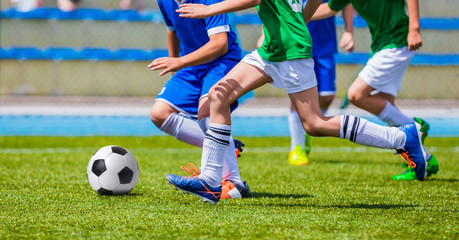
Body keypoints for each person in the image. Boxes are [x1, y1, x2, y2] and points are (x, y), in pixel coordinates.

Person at [166, 0, 433, 205]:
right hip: (273, 48)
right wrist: (297, 20)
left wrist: (209, 9)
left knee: (315, 124)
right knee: (218, 95)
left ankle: (401, 138)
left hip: (292, 52)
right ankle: (212, 181)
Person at [310, 0, 439, 180]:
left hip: (397, 41)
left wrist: (414, 28)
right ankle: (424, 159)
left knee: (355, 94)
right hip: (382, 45)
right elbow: (330, 8)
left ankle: (414, 127)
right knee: (387, 106)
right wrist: (298, 17)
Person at [148, 0, 251, 200]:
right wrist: (174, 64)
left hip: (221, 62)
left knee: (207, 113)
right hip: (190, 66)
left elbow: (220, 44)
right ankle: (226, 145)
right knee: (159, 114)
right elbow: (172, 29)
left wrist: (179, 61)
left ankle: (235, 183)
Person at [258, 0, 354, 166]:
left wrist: (349, 31)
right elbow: (273, 5)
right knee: (298, 95)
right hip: (295, 41)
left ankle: (308, 126)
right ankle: (297, 147)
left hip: (324, 41)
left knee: (327, 96)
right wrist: (264, 34)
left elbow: (343, 3)